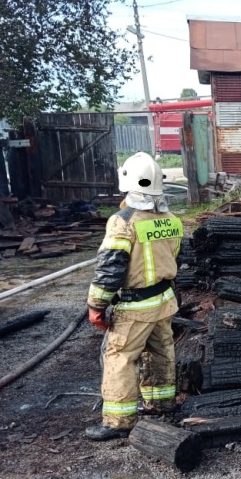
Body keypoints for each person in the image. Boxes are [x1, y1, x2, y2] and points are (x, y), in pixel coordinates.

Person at [85, 152, 183, 441]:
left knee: (120, 358)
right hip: (164, 300)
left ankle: (118, 421)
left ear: (126, 180)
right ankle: (161, 403)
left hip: (136, 306)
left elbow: (110, 267)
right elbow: (174, 258)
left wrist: (96, 305)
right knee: (161, 352)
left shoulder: (123, 221)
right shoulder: (171, 219)